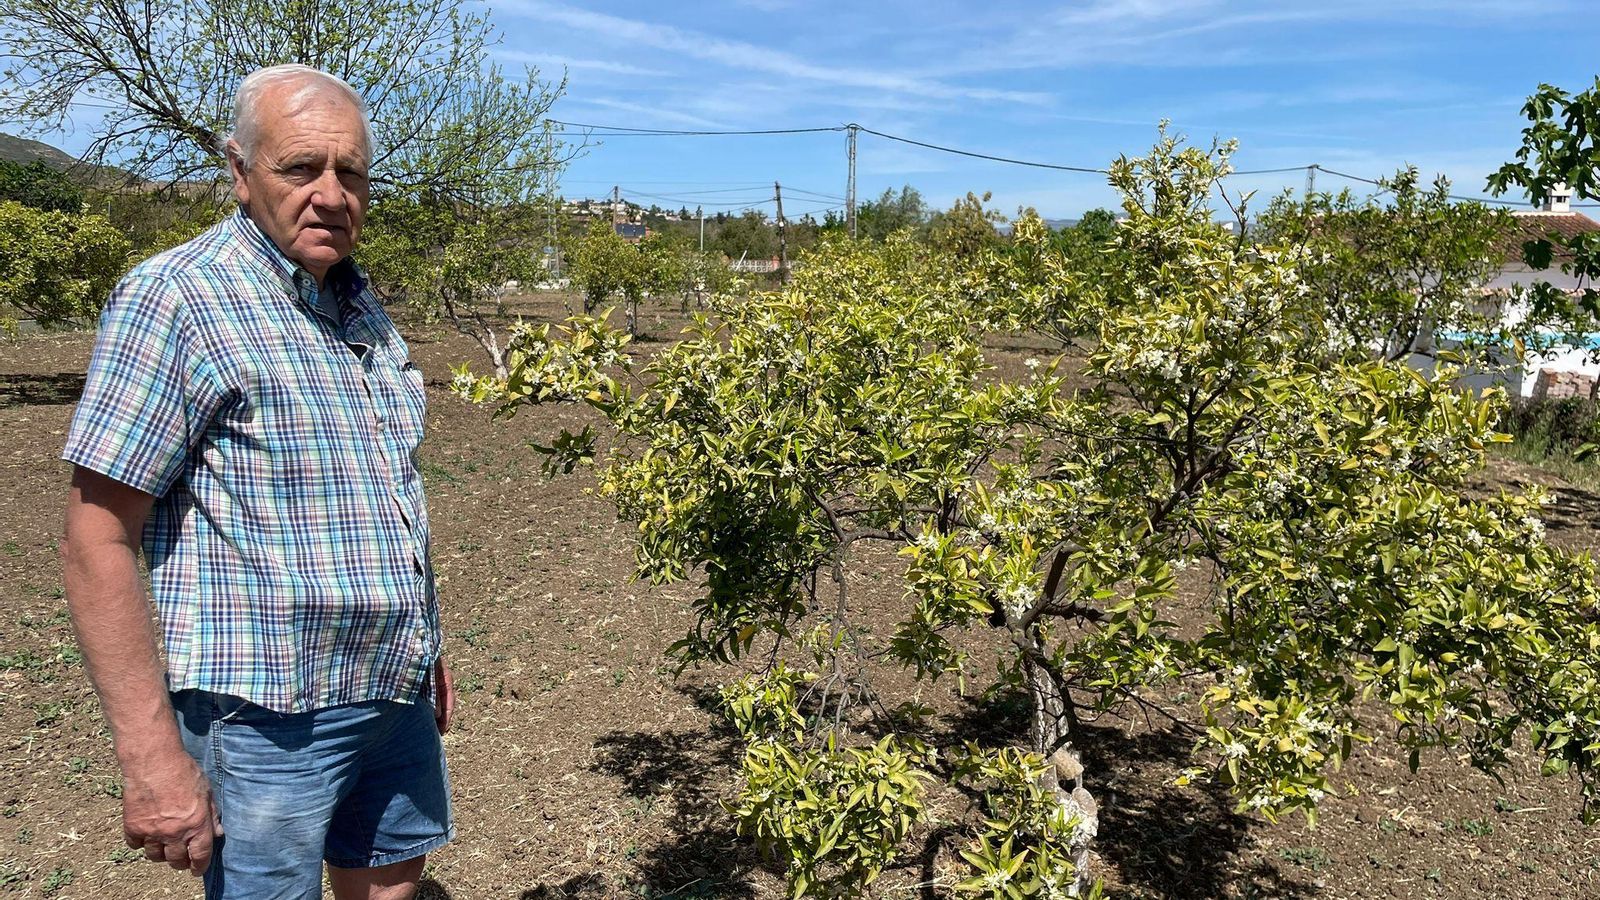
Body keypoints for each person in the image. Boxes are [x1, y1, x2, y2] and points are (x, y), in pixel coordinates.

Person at [59, 63, 453, 900]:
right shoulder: (178, 299)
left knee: (392, 881)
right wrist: (150, 756)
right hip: (264, 714)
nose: (331, 194)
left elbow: (386, 490)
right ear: (239, 172)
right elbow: (97, 536)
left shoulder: (359, 305)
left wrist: (427, 647)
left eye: (350, 172)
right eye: (300, 167)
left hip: (392, 688)